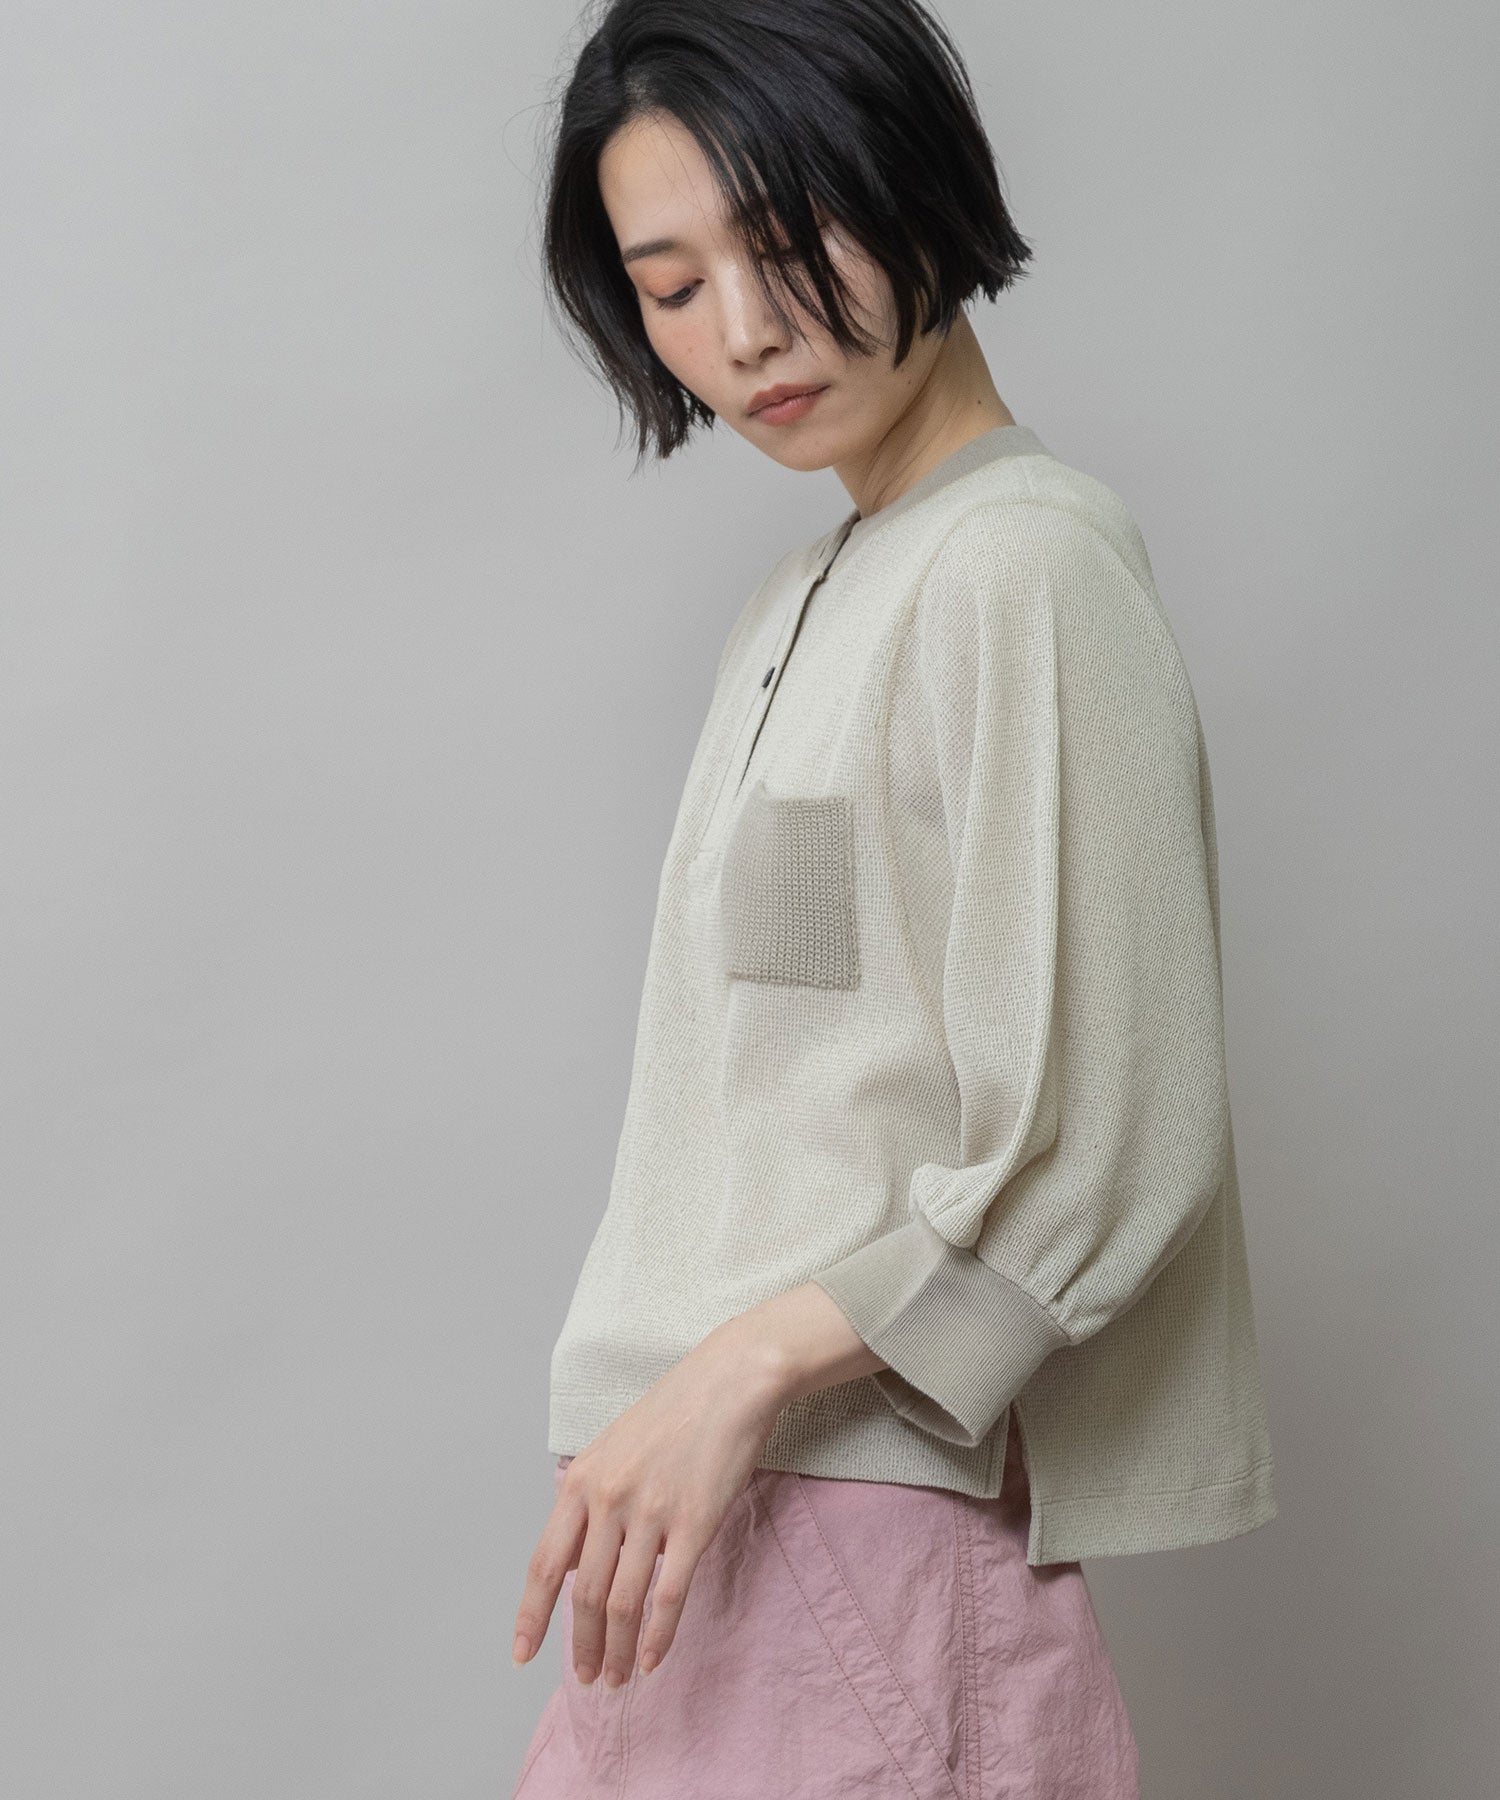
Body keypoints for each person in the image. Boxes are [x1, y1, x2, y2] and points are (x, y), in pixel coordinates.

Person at [510, 2, 1277, 1794]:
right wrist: (683, 1403)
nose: (743, 331)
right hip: (709, 1523)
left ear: (911, 177)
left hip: (855, 1522)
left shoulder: (1026, 565)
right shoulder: (803, 599)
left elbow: (1112, 1134)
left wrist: (741, 1373)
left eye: (786, 240)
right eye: (672, 284)